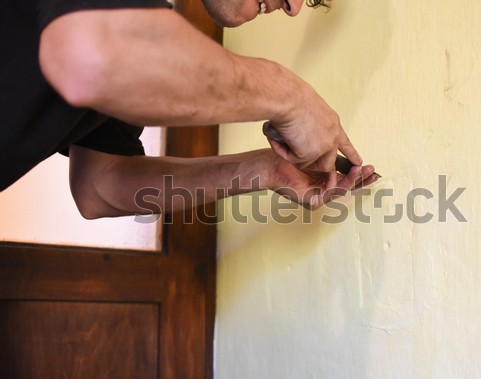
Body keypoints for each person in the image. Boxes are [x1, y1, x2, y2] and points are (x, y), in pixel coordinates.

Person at [0, 0, 378, 219]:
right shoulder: (115, 36)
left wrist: (265, 171)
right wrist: (287, 95)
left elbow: (100, 187)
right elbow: (89, 58)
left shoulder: (140, 22)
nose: (294, 7)